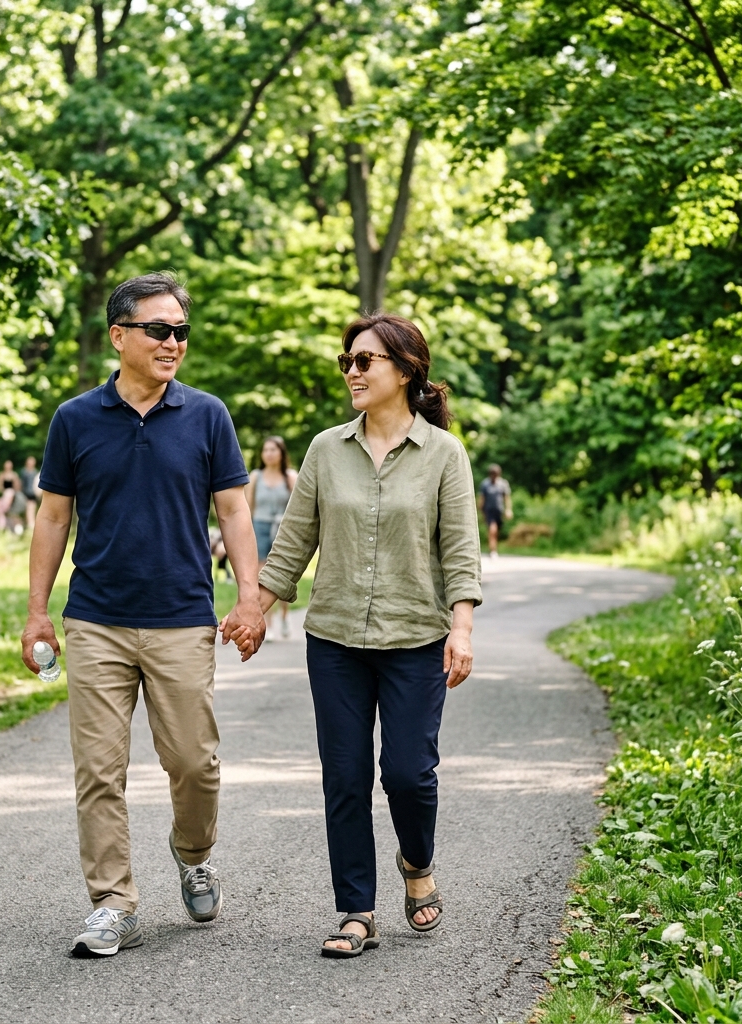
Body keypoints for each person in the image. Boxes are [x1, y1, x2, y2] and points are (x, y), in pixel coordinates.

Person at [20, 272, 265, 959]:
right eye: (159, 329)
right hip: (95, 618)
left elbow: (235, 510)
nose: (173, 342)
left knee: (194, 762)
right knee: (98, 770)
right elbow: (54, 517)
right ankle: (113, 903)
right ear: (119, 336)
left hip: (182, 617)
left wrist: (249, 595)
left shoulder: (208, 414)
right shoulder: (74, 419)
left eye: (181, 331)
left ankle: (193, 853)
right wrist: (39, 613)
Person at [227, 312, 482, 959]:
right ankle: (356, 910)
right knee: (343, 776)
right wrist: (255, 608)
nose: (352, 371)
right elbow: (292, 546)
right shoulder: (324, 450)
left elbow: (460, 550)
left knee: (407, 773)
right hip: (335, 639)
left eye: (365, 361)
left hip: (415, 640)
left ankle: (417, 864)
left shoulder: (444, 455)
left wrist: (462, 628)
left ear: (405, 369)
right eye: (347, 361)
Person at [246, 436, 297, 639]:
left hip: (282, 530)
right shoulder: (256, 476)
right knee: (262, 578)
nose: (269, 453)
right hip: (260, 526)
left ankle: (284, 616)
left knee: (281, 575)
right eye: (265, 450)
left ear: (281, 453)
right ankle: (268, 623)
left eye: (273, 450)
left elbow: (299, 508)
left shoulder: (291, 476)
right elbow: (248, 507)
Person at [479, 463, 512, 558]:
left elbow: (507, 498)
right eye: (492, 473)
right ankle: (493, 551)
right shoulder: (485, 484)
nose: (494, 475)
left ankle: (494, 547)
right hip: (489, 511)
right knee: (492, 530)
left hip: (499, 511)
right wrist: (481, 510)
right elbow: (482, 498)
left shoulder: (503, 484)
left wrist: (508, 510)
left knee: (496, 531)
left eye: (496, 473)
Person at [0, 460, 21, 532]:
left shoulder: (14, 475)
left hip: (12, 495)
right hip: (5, 495)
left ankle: (17, 528)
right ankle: (2, 526)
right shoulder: (2, 475)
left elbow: (17, 486)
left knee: (13, 512)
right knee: (1, 510)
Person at [19, 456, 41, 531]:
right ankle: (28, 526)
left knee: (31, 510)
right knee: (26, 510)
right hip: (24, 493)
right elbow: (21, 483)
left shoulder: (35, 472)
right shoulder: (23, 472)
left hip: (33, 494)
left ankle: (31, 526)